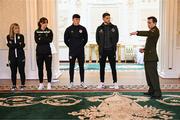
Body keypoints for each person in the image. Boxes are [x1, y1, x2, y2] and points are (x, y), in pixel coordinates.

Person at [130, 16, 162, 99]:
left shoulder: (155, 30)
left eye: (149, 22)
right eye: (147, 22)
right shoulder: (151, 31)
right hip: (148, 56)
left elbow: (147, 34)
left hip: (152, 58)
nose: (148, 24)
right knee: (148, 76)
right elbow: (150, 44)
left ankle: (157, 93)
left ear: (154, 23)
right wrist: (144, 49)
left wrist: (137, 32)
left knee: (153, 76)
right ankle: (151, 90)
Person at [64, 14, 88, 89]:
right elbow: (65, 40)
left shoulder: (83, 28)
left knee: (81, 67)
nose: (77, 21)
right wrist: (71, 46)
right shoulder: (68, 29)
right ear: (73, 20)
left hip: (80, 51)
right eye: (75, 19)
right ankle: (71, 82)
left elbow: (85, 39)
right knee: (71, 67)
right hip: (72, 51)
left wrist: (80, 45)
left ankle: (82, 82)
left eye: (78, 19)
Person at [96, 13, 119, 89]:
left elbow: (116, 38)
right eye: (107, 18)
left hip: (111, 51)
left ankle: (115, 82)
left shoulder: (114, 27)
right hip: (102, 51)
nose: (108, 19)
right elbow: (97, 40)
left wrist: (112, 46)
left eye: (109, 18)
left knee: (113, 67)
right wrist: (102, 46)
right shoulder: (99, 28)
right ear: (103, 19)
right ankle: (101, 82)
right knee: (102, 67)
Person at [34, 17, 53, 90]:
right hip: (39, 52)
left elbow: (50, 40)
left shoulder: (49, 31)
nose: (45, 24)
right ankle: (41, 83)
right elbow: (37, 41)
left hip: (48, 52)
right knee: (40, 68)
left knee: (48, 68)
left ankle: (49, 83)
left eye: (46, 22)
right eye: (44, 22)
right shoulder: (36, 31)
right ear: (40, 23)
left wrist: (41, 39)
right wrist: (45, 39)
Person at [7, 23, 26, 91]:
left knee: (21, 71)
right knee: (13, 72)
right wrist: (18, 44)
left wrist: (14, 45)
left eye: (18, 28)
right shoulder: (8, 37)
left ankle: (23, 85)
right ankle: (14, 85)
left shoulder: (21, 36)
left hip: (21, 57)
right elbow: (10, 46)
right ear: (12, 29)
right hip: (12, 57)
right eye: (15, 28)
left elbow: (22, 45)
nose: (17, 30)